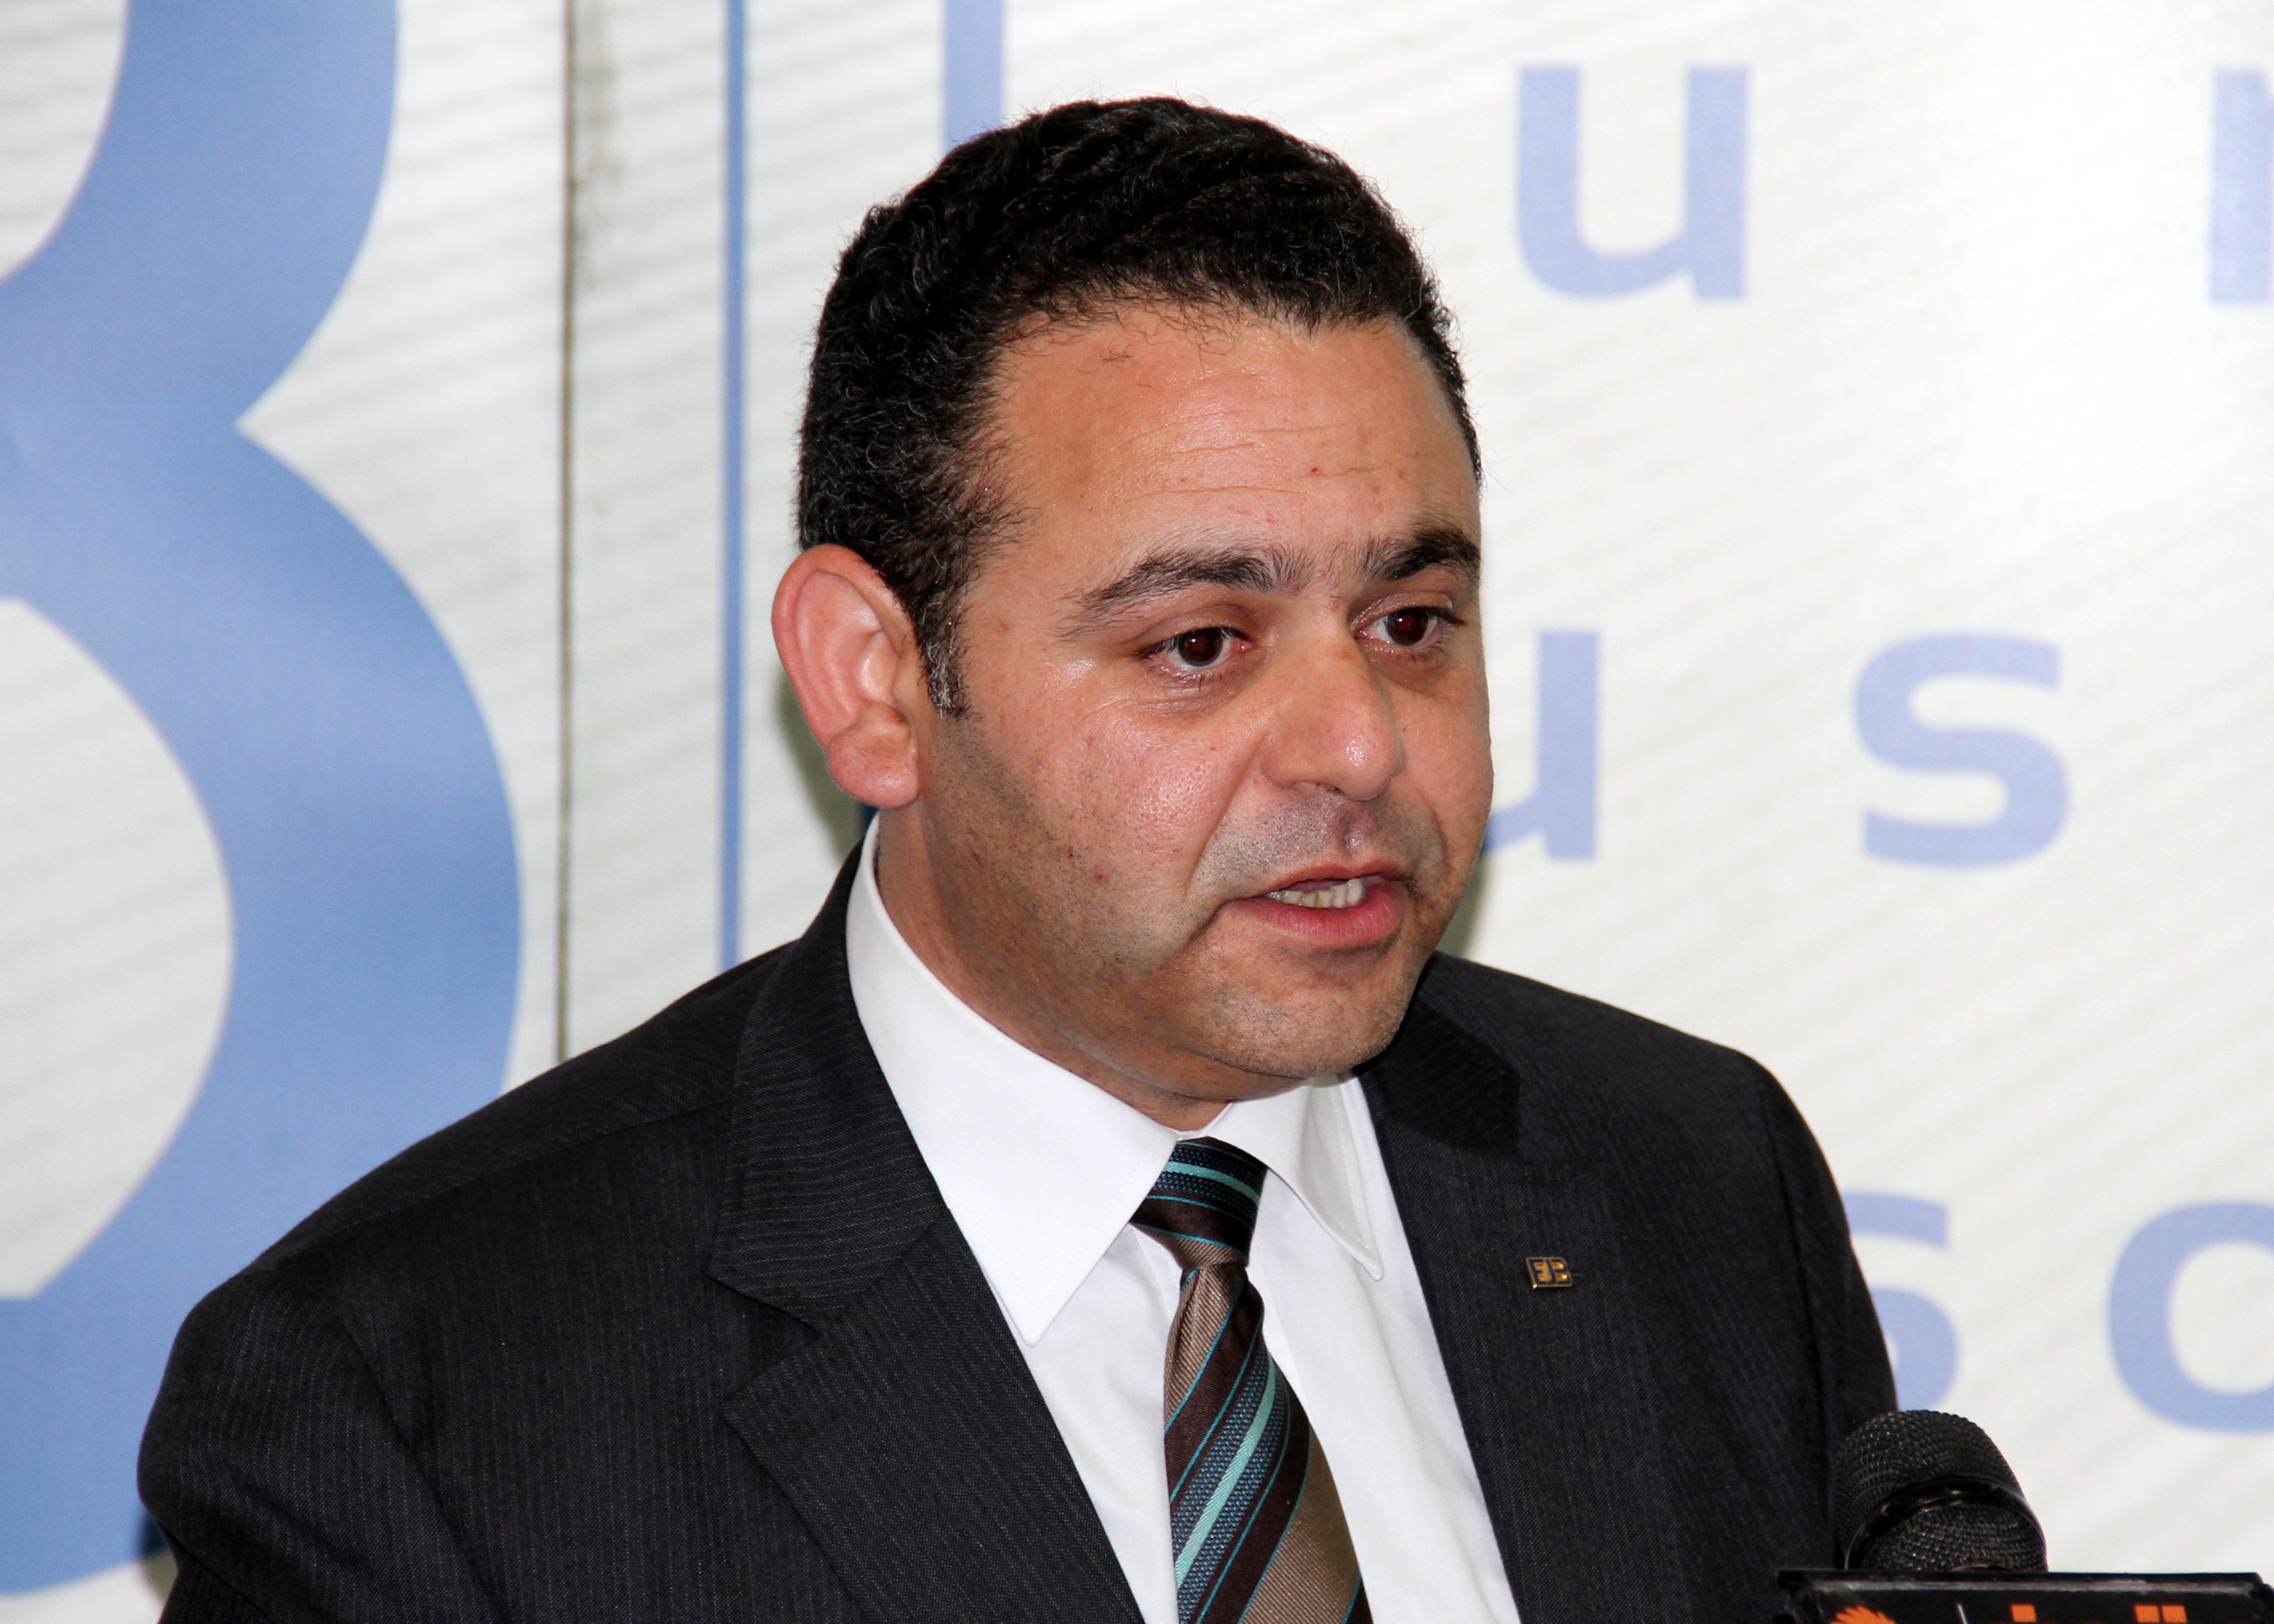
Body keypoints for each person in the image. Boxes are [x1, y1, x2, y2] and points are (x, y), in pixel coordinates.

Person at [140, 98, 1893, 1624]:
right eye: (1200, 644)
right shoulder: (416, 1404)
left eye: (1411, 621)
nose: (1360, 747)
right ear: (874, 681)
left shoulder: (1692, 1184)